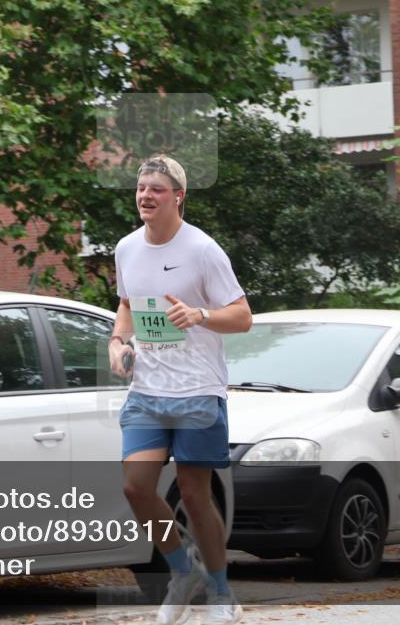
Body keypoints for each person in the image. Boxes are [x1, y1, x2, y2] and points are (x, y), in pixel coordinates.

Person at [108, 155, 252, 625]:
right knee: (135, 487)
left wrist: (200, 315)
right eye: (141, 188)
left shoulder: (203, 251)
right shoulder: (127, 248)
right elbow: (127, 305)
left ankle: (221, 590)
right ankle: (180, 570)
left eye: (156, 189)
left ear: (179, 196)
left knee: (193, 494)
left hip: (196, 389)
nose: (145, 196)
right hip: (148, 389)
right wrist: (118, 342)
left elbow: (243, 317)